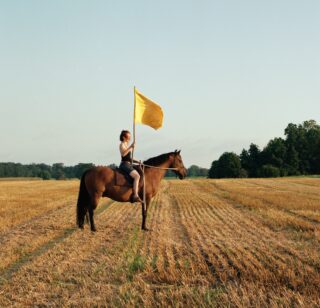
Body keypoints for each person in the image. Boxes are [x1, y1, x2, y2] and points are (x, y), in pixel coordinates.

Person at [119, 130, 143, 203]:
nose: (129, 138)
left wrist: (138, 161)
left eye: (130, 137)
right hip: (124, 164)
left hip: (129, 163)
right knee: (137, 176)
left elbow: (130, 158)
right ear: (123, 137)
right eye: (128, 137)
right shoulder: (122, 144)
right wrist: (130, 147)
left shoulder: (126, 145)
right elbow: (123, 154)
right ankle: (135, 195)